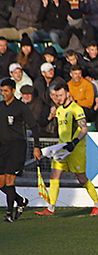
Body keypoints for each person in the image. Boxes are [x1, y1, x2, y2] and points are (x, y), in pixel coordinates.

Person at [35, 82, 98, 216]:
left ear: (67, 93)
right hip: (61, 149)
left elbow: (84, 129)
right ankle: (51, 208)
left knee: (81, 178)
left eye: (60, 95)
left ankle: (97, 204)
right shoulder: (59, 110)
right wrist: (50, 116)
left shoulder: (76, 109)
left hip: (75, 149)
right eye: (55, 95)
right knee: (54, 175)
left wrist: (74, 142)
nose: (58, 97)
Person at [0, 78, 41, 222]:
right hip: (2, 148)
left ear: (12, 90)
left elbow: (34, 126)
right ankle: (21, 201)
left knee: (10, 179)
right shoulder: (1, 106)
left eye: (6, 90)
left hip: (16, 147)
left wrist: (37, 146)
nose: (3, 93)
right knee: (1, 183)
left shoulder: (21, 107)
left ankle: (10, 213)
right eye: (2, 91)